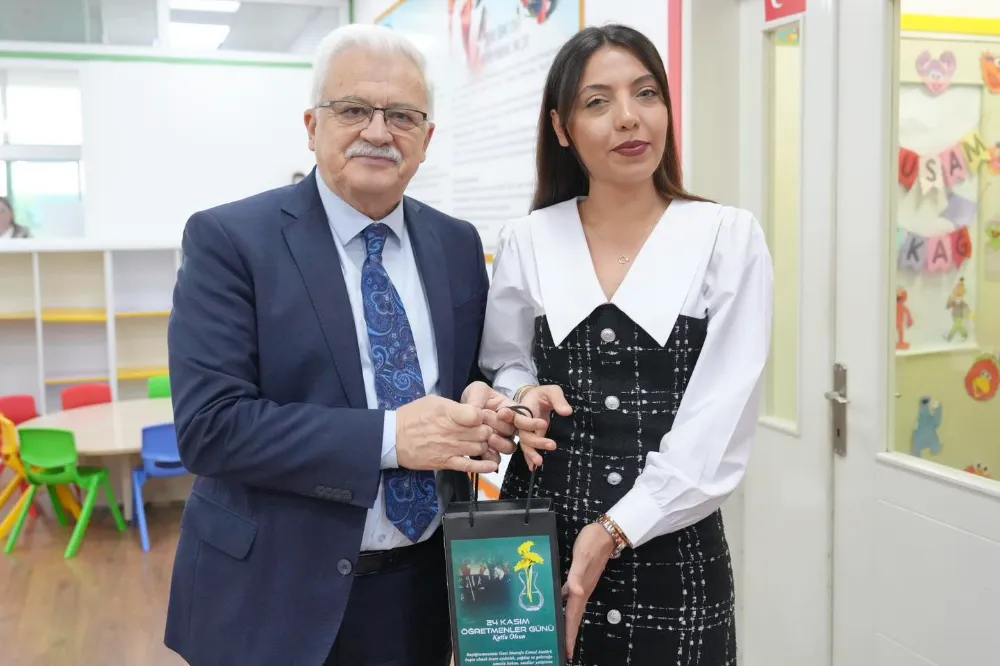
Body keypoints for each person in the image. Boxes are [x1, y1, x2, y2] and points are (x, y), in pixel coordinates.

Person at [164, 23, 539, 666]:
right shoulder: (231, 241)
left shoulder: (456, 244)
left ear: (426, 140)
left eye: (402, 116)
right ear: (312, 126)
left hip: (422, 589)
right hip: (274, 597)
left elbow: (470, 377)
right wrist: (392, 437)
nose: (378, 131)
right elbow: (210, 428)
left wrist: (489, 400)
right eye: (354, 109)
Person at [480, 25, 774, 665]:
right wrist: (521, 396)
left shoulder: (725, 239)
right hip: (532, 545)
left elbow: (719, 422)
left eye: (646, 93)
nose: (629, 118)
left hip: (671, 550)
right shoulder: (528, 239)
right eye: (597, 102)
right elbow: (505, 361)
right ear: (561, 128)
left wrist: (616, 528)